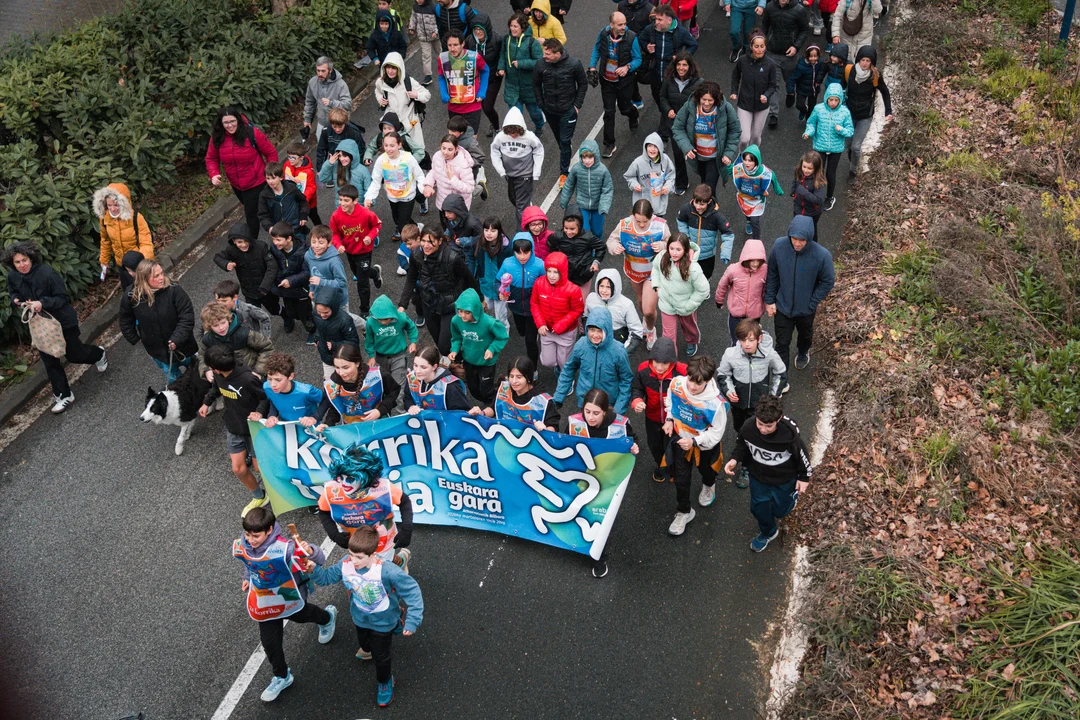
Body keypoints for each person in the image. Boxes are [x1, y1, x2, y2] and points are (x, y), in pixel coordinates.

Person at [309, 526, 424, 708]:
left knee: (381, 657)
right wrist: (313, 569)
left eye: (359, 557)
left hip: (382, 623)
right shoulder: (346, 563)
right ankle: (396, 619)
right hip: (360, 618)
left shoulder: (387, 571)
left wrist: (413, 620)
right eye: (351, 554)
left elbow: (413, 592)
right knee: (366, 646)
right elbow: (325, 578)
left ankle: (385, 682)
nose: (353, 561)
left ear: (373, 553)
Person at [234, 506, 336, 704]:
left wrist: (310, 550)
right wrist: (247, 577)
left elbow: (320, 559)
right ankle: (282, 676)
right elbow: (250, 563)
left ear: (269, 530)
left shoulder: (285, 548)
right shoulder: (245, 543)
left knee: (303, 614)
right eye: (247, 534)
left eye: (255, 536)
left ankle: (327, 618)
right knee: (270, 643)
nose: (250, 540)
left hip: (287, 595)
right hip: (264, 600)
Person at [4, 242, 107, 413]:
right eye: (17, 262)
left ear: (31, 258)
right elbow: (13, 291)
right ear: (12, 263)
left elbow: (62, 298)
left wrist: (42, 303)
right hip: (40, 325)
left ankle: (99, 354)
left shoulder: (47, 274)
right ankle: (63, 395)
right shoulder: (13, 276)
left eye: (24, 260)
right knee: (50, 361)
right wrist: (15, 299)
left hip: (63, 322)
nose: (22, 265)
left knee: (74, 354)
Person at [562, 387, 638, 577]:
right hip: (581, 478)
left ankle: (599, 557)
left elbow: (633, 441)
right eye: (587, 411)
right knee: (581, 512)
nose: (590, 417)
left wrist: (634, 448)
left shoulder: (621, 425)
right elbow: (563, 443)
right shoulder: (574, 422)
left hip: (608, 481)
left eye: (596, 413)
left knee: (600, 517)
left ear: (605, 411)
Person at [724, 395, 811, 551]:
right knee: (759, 508)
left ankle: (791, 500)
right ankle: (768, 532)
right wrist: (734, 459)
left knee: (780, 511)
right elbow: (741, 444)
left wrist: (804, 477)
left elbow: (802, 456)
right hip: (759, 477)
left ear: (778, 420)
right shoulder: (748, 427)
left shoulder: (789, 436)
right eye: (760, 424)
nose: (763, 430)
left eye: (769, 426)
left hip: (784, 480)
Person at [315, 444, 413, 575]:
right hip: (357, 542)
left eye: (350, 478)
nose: (344, 483)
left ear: (365, 477)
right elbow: (324, 511)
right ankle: (400, 560)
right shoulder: (331, 491)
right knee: (370, 564)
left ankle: (399, 563)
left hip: (383, 539)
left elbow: (404, 501)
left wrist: (407, 528)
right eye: (340, 477)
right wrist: (334, 535)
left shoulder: (383, 488)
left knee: (382, 567)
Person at [197, 345, 268, 516]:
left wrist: (259, 412)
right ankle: (259, 496)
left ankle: (280, 490)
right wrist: (206, 402)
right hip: (234, 427)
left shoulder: (248, 378)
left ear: (216, 369)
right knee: (238, 469)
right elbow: (216, 389)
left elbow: (265, 398)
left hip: (254, 429)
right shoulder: (218, 375)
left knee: (259, 468)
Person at [764, 215, 834, 389]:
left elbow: (828, 281)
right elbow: (772, 274)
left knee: (805, 335)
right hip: (782, 306)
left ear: (809, 238)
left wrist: (813, 302)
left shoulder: (822, 255)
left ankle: (803, 351)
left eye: (801, 240)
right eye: (794, 238)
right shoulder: (779, 246)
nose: (797, 243)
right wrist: (770, 300)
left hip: (806, 310)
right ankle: (781, 379)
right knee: (782, 342)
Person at [664, 354, 727, 536]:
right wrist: (669, 419)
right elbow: (671, 402)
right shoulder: (676, 383)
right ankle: (684, 511)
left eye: (698, 383)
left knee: (707, 471)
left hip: (704, 446)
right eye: (690, 379)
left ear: (707, 381)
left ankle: (709, 485)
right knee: (681, 479)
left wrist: (694, 441)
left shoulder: (716, 404)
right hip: (681, 441)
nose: (692, 386)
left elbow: (716, 433)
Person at [718, 319, 785, 487]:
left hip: (759, 406)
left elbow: (781, 373)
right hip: (738, 404)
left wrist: (773, 397)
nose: (746, 344)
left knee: (754, 433)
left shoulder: (769, 354)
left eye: (750, 340)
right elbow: (723, 375)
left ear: (759, 339)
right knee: (740, 429)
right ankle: (744, 444)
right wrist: (729, 391)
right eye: (743, 340)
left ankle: (746, 466)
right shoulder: (730, 354)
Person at [399, 226, 481, 356]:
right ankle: (456, 358)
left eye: (431, 242)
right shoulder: (416, 255)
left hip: (450, 305)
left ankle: (462, 359)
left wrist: (480, 299)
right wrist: (402, 305)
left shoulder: (452, 258)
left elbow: (468, 278)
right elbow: (411, 278)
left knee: (444, 347)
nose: (426, 245)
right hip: (429, 304)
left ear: (440, 241)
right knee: (438, 340)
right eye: (423, 241)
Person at [119, 259, 197, 384]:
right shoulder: (131, 296)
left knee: (197, 370)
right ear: (144, 279)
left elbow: (186, 316)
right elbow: (125, 319)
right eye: (156, 276)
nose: (162, 278)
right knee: (176, 382)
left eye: (161, 273)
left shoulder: (174, 290)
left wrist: (177, 338)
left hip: (184, 346)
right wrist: (134, 338)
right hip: (158, 352)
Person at [605, 198, 670, 349]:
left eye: (645, 221)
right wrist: (614, 247)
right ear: (632, 215)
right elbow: (611, 240)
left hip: (653, 272)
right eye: (638, 220)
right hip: (634, 271)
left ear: (651, 216)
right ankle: (646, 321)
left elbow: (671, 244)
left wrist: (662, 245)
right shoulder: (624, 224)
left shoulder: (660, 226)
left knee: (648, 309)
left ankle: (651, 330)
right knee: (640, 302)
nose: (641, 224)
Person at [206, 107, 279, 240]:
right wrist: (214, 174)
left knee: (251, 214)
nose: (230, 125)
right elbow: (211, 158)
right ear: (221, 123)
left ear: (238, 120)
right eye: (226, 122)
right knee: (259, 209)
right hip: (237, 185)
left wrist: (271, 173)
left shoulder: (251, 133)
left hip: (257, 181)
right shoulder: (217, 137)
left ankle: (251, 243)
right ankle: (276, 222)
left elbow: (270, 153)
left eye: (232, 121)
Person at [553, 307, 634, 414]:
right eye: (592, 330)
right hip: (585, 402)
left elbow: (626, 380)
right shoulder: (581, 345)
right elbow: (569, 369)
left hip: (608, 405)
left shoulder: (618, 351)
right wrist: (558, 396)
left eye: (600, 331)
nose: (595, 335)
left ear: (607, 330)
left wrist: (618, 411)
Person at [672, 80, 741, 198]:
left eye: (710, 100)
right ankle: (708, 206)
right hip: (698, 156)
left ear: (716, 99)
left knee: (709, 189)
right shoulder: (689, 106)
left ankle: (710, 206)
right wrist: (687, 148)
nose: (707, 103)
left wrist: (728, 154)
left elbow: (735, 131)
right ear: (698, 97)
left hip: (715, 157)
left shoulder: (726, 108)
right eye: (704, 99)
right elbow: (677, 128)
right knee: (704, 183)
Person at [533, 38, 588, 185]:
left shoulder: (574, 64)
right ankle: (566, 150)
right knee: (560, 139)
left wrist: (577, 105)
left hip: (568, 110)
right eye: (544, 53)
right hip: (549, 110)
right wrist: (541, 104)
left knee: (564, 140)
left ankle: (564, 173)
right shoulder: (540, 65)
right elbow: (536, 84)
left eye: (547, 54)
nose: (544, 56)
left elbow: (583, 83)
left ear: (557, 54)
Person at [630, 337, 686, 482]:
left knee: (675, 446)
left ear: (672, 361)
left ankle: (673, 467)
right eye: (656, 362)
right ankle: (661, 465)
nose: (660, 367)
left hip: (675, 419)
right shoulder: (643, 369)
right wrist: (637, 401)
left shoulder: (683, 372)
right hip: (652, 417)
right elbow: (637, 388)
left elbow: (692, 392)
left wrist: (677, 406)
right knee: (654, 445)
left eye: (664, 363)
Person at [590, 11, 642, 159]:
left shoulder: (631, 37)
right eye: (620, 24)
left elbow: (638, 59)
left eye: (625, 24)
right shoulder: (604, 34)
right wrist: (592, 66)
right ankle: (609, 144)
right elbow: (597, 49)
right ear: (611, 25)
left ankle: (633, 114)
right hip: (607, 81)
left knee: (624, 109)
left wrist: (627, 67)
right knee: (609, 112)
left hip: (624, 83)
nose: (623, 27)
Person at [651, 232, 709, 356]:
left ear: (685, 250)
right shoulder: (662, 257)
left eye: (678, 249)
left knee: (689, 329)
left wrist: (688, 306)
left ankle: (691, 341)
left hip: (685, 306)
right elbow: (655, 268)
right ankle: (671, 361)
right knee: (668, 337)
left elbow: (703, 290)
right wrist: (657, 286)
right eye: (671, 248)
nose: (674, 253)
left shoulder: (693, 268)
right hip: (666, 303)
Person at [449, 288, 509, 404]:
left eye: (467, 312)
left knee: (486, 390)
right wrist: (454, 350)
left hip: (486, 362)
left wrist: (492, 349)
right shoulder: (456, 321)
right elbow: (456, 338)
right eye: (460, 311)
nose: (463, 315)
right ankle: (491, 398)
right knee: (473, 389)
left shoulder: (489, 322)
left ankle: (495, 404)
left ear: (476, 309)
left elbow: (502, 337)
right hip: (469, 360)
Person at [315, 344, 400, 424]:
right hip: (352, 429)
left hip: (380, 424)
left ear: (357, 363)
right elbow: (335, 408)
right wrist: (327, 424)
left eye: (345, 367)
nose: (341, 373)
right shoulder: (332, 385)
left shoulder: (377, 375)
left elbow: (393, 392)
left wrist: (380, 411)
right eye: (337, 367)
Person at [329, 186, 382, 314]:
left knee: (362, 283)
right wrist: (338, 245)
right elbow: (334, 233)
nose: (342, 203)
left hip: (364, 251)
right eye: (340, 199)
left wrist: (370, 236)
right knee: (359, 274)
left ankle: (364, 310)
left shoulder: (366, 213)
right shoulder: (336, 216)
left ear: (355, 200)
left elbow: (377, 224)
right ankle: (375, 273)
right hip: (349, 251)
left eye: (346, 200)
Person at [93, 183, 153, 292]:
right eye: (109, 205)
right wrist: (104, 260)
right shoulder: (105, 218)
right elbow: (105, 240)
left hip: (138, 266)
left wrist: (141, 266)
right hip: (122, 265)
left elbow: (146, 243)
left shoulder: (136, 218)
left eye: (116, 205)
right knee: (129, 291)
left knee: (144, 292)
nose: (112, 209)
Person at [497, 234, 546, 367]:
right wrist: (500, 292)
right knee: (521, 332)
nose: (522, 256)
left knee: (530, 341)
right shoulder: (507, 263)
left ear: (532, 250)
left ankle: (533, 368)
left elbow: (547, 284)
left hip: (534, 309)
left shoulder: (540, 265)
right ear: (514, 251)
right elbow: (498, 281)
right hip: (515, 307)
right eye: (518, 252)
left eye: (526, 252)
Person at [490, 110, 544, 231]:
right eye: (510, 132)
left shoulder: (529, 137)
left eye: (515, 132)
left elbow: (539, 151)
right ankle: (528, 211)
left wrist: (536, 172)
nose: (513, 135)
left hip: (525, 175)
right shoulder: (500, 137)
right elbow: (494, 150)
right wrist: (501, 170)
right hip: (509, 175)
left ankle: (522, 233)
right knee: (513, 199)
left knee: (520, 207)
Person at [532, 251, 585, 374]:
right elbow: (535, 304)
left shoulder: (573, 290)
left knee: (564, 363)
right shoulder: (539, 283)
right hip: (547, 330)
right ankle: (560, 367)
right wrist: (540, 323)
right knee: (547, 361)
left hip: (566, 331)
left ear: (563, 271)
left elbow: (577, 309)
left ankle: (566, 377)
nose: (551, 276)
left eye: (555, 272)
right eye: (549, 271)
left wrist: (561, 325)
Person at [364, 133, 426, 238]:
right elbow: (376, 181)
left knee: (402, 227)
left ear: (399, 145)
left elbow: (419, 175)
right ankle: (417, 227)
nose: (388, 149)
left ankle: (409, 245)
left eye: (392, 146)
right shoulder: (381, 160)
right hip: (392, 197)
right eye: (386, 145)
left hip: (408, 196)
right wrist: (369, 197)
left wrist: (424, 189)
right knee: (398, 219)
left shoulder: (408, 158)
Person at [803, 83, 853, 211]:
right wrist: (808, 132)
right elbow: (811, 123)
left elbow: (850, 131)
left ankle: (829, 197)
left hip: (836, 148)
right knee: (818, 172)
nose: (833, 103)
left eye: (836, 100)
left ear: (840, 100)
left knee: (830, 174)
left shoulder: (844, 112)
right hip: (820, 146)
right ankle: (815, 195)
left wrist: (841, 130)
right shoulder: (818, 109)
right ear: (826, 98)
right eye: (831, 99)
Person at [637, 4, 698, 109]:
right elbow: (641, 39)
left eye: (660, 20)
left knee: (672, 97)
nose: (656, 22)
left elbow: (693, 45)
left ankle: (670, 114)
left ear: (669, 20)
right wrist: (647, 47)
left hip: (672, 70)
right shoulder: (650, 29)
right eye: (656, 19)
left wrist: (682, 57)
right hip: (655, 70)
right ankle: (664, 111)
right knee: (657, 95)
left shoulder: (681, 32)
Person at [658, 52, 703, 193]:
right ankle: (682, 182)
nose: (681, 68)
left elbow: (705, 103)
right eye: (678, 64)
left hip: (692, 125)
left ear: (690, 67)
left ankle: (705, 180)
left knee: (698, 153)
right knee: (678, 154)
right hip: (675, 125)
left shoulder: (699, 83)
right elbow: (662, 97)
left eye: (684, 65)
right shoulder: (669, 80)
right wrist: (668, 110)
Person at [762, 0, 810, 129]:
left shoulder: (799, 10)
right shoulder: (770, 7)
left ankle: (790, 93)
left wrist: (796, 46)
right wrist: (762, 43)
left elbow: (804, 30)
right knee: (773, 83)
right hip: (772, 52)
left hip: (789, 55)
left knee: (790, 80)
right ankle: (773, 114)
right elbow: (764, 26)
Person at [845, 46, 893, 177]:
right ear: (858, 60)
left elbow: (885, 92)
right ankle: (853, 157)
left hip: (865, 116)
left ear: (872, 62)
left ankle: (853, 169)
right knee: (848, 145)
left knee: (856, 147)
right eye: (863, 60)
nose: (865, 63)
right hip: (849, 114)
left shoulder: (875, 76)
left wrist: (888, 111)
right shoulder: (849, 71)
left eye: (868, 61)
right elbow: (840, 87)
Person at [214, 220, 278, 317]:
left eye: (246, 241)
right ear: (234, 241)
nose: (244, 245)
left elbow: (272, 266)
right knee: (253, 316)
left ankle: (287, 317)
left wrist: (265, 286)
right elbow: (218, 257)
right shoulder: (231, 250)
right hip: (249, 292)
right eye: (239, 242)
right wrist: (226, 264)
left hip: (266, 290)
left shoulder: (261, 247)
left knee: (274, 309)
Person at [730, 32, 781, 152]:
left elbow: (773, 85)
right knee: (744, 138)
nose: (759, 50)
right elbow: (735, 76)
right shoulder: (742, 61)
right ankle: (742, 156)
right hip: (744, 104)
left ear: (765, 46)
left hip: (762, 106)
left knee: (756, 137)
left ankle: (753, 157)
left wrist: (766, 95)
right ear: (751, 47)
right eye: (756, 46)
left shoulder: (770, 64)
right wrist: (734, 91)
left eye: (762, 46)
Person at [481, 355, 560, 430]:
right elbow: (494, 408)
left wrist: (545, 429)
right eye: (511, 376)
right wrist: (482, 413)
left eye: (519, 377)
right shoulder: (504, 389)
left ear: (528, 377)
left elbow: (553, 425)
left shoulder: (543, 401)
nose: (514, 381)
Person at [267, 222, 316, 342]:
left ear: (289, 238)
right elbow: (272, 266)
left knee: (305, 314)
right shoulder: (274, 249)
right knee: (291, 312)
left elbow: (307, 272)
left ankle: (313, 331)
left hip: (301, 289)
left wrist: (291, 280)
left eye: (278, 240)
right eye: (273, 239)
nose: (275, 243)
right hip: (286, 289)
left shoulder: (304, 252)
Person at [365, 295, 418, 404]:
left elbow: (411, 327)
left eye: (386, 319)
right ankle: (387, 408)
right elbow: (369, 340)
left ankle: (399, 411)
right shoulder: (370, 322)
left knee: (399, 387)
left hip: (399, 356)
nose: (383, 322)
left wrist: (413, 342)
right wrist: (371, 356)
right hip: (381, 357)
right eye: (379, 319)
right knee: (385, 384)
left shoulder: (401, 317)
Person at [198, 301, 273, 378]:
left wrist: (258, 371)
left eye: (223, 322)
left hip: (250, 374)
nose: (221, 328)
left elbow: (267, 347)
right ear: (209, 326)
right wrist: (206, 370)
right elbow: (202, 356)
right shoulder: (207, 340)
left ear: (228, 319)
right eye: (215, 325)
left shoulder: (244, 333)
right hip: (227, 378)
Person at [375, 52, 431, 153]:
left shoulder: (408, 82)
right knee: (395, 152)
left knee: (417, 151)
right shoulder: (380, 82)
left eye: (394, 68)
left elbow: (427, 95)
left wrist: (416, 95)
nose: (390, 71)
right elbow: (378, 92)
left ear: (399, 68)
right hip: (392, 124)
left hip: (410, 123)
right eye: (388, 68)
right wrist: (380, 100)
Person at [715, 238, 768, 344]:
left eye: (758, 260)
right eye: (752, 260)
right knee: (737, 343)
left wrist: (768, 304)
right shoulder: (733, 270)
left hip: (754, 316)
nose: (755, 264)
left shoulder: (765, 271)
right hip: (736, 315)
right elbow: (722, 285)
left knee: (751, 342)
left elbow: (768, 289)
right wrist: (719, 301)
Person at [499, 13, 545, 132]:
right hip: (512, 85)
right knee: (515, 116)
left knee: (534, 112)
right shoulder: (506, 40)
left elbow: (539, 62)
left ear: (523, 27)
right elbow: (502, 55)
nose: (512, 29)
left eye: (516, 26)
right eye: (511, 26)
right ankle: (519, 135)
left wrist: (522, 63)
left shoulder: (532, 42)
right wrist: (501, 67)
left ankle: (539, 126)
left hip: (529, 86)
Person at [677, 184, 735, 278]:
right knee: (688, 276)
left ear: (709, 201)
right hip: (690, 252)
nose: (698, 207)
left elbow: (728, 234)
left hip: (707, 257)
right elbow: (681, 221)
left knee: (706, 277)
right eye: (696, 202)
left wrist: (725, 253)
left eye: (702, 204)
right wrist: (686, 237)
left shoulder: (716, 216)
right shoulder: (686, 209)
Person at [559, 140, 614, 240]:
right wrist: (564, 201)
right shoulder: (576, 169)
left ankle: (597, 246)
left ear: (595, 156)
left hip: (598, 206)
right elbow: (569, 185)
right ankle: (587, 247)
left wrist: (603, 206)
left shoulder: (603, 170)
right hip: (582, 205)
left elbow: (607, 189)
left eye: (590, 157)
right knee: (584, 230)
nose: (587, 161)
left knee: (597, 230)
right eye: (584, 157)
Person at [438, 30, 490, 134]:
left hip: (472, 106)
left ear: (462, 44)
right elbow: (441, 76)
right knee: (455, 137)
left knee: (471, 139)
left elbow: (486, 71)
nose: (452, 49)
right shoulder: (443, 58)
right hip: (454, 106)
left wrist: (482, 92)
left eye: (456, 45)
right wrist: (443, 92)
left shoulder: (474, 57)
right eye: (450, 45)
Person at [252, 352, 323, 427]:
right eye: (269, 379)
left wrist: (315, 417)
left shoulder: (306, 391)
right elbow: (273, 400)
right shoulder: (267, 387)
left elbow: (326, 399)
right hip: (287, 427)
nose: (273, 384)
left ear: (291, 376)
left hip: (309, 428)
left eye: (278, 380)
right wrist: (272, 415)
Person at [546, 213, 606, 300]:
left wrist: (595, 262)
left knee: (580, 302)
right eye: (566, 228)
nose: (568, 232)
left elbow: (601, 247)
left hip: (583, 275)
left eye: (572, 229)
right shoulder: (558, 236)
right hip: (564, 275)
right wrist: (557, 258)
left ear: (580, 226)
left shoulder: (588, 237)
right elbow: (550, 244)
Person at [585, 269, 644, 355]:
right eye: (601, 286)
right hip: (596, 338)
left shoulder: (626, 304)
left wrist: (623, 352)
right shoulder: (591, 299)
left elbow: (637, 332)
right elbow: (585, 319)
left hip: (617, 340)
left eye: (608, 287)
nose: (604, 291)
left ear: (615, 287)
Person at [732, 144, 784, 239]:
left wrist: (778, 190)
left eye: (750, 160)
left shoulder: (765, 172)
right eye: (745, 160)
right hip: (744, 198)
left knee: (755, 221)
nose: (746, 163)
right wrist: (727, 165)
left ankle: (756, 241)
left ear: (756, 161)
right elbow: (730, 171)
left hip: (757, 200)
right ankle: (748, 221)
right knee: (747, 213)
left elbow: (773, 178)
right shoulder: (739, 168)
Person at [465, 12, 503, 137]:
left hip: (493, 78)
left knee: (487, 106)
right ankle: (492, 121)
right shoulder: (470, 40)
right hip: (477, 78)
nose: (478, 32)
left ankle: (497, 129)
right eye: (476, 29)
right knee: (480, 105)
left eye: (481, 29)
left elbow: (502, 56)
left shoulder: (497, 40)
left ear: (486, 29)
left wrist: (500, 68)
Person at [312, 286, 361, 379]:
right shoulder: (316, 313)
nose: (322, 315)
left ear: (334, 307)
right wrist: (317, 338)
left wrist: (335, 345)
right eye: (319, 312)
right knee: (331, 382)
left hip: (343, 358)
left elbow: (354, 342)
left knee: (348, 380)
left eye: (326, 312)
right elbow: (319, 327)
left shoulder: (345, 321)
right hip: (326, 356)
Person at [404, 345, 472, 412]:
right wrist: (411, 407)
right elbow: (407, 398)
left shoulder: (449, 386)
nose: (417, 371)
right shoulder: (411, 378)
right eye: (415, 365)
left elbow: (463, 411)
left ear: (434, 367)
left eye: (423, 367)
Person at [424, 134, 477, 219]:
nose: (445, 152)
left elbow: (469, 188)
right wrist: (428, 185)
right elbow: (433, 171)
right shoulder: (437, 156)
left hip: (457, 207)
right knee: (444, 224)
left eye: (450, 149)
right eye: (443, 148)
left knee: (457, 227)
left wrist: (452, 179)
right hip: (442, 202)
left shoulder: (463, 165)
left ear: (456, 149)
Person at [624, 133, 676, 218]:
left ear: (660, 147)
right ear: (645, 147)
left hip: (659, 205)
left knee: (657, 225)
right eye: (650, 146)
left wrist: (668, 187)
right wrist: (634, 185)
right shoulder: (638, 162)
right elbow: (630, 176)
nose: (652, 149)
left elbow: (671, 176)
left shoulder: (665, 160)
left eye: (655, 146)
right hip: (641, 207)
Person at [475, 218, 513, 331]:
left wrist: (506, 288)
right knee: (487, 309)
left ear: (499, 231)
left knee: (500, 316)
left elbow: (510, 269)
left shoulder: (506, 248)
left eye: (493, 230)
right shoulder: (480, 242)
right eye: (486, 230)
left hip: (500, 287)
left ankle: (504, 332)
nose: (489, 233)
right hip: (486, 284)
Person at [304, 57, 352, 142]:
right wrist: (307, 119)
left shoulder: (341, 84)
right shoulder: (313, 82)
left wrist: (331, 103)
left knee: (340, 149)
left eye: (323, 71)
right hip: (322, 123)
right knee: (322, 148)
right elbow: (310, 102)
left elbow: (347, 104)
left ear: (330, 70)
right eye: (318, 70)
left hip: (339, 124)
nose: (320, 74)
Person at [258, 162, 310, 239]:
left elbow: (303, 201)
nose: (270, 181)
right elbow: (263, 214)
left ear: (281, 177)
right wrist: (269, 226)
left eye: (273, 178)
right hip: (279, 232)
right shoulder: (264, 195)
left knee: (300, 245)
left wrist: (303, 215)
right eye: (268, 178)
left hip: (295, 227)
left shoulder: (291, 189)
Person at [319, 138, 371, 212]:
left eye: (345, 156)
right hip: (341, 208)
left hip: (358, 209)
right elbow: (323, 179)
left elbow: (369, 189)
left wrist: (369, 202)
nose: (341, 159)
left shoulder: (363, 171)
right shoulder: (336, 166)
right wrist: (329, 164)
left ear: (352, 155)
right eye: (339, 156)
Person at [446, 114, 489, 199]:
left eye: (453, 131)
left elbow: (480, 157)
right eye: (449, 130)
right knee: (457, 189)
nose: (450, 133)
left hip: (469, 171)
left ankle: (480, 187)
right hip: (455, 170)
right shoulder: (452, 138)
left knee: (466, 193)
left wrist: (467, 164)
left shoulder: (470, 143)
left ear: (461, 132)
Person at [441, 193, 484, 275]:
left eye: (449, 212)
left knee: (469, 274)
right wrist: (446, 234)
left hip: (470, 252)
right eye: (445, 212)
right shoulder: (450, 219)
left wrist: (466, 241)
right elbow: (450, 228)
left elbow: (481, 237)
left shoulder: (473, 223)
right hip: (457, 249)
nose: (446, 215)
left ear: (457, 210)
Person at [315, 108, 366, 175]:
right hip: (335, 163)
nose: (337, 129)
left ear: (345, 123)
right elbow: (321, 150)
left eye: (340, 126)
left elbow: (360, 151)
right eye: (334, 126)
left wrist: (358, 169)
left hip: (350, 163)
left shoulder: (353, 132)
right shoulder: (326, 131)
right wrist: (321, 169)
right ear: (331, 124)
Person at [786, 44, 828, 123]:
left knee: (812, 108)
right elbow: (792, 78)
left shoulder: (821, 63)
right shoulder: (801, 66)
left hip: (814, 90)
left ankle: (809, 122)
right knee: (799, 105)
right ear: (807, 56)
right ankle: (804, 110)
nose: (813, 58)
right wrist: (790, 91)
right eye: (811, 56)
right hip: (802, 89)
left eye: (815, 56)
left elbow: (826, 68)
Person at [791, 151, 828, 239]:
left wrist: (804, 192)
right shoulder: (798, 171)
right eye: (804, 167)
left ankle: (812, 245)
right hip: (798, 208)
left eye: (809, 168)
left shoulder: (818, 181)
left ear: (816, 168)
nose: (805, 170)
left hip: (812, 212)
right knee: (797, 228)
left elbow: (819, 200)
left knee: (811, 231)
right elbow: (795, 181)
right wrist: (793, 192)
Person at [284, 142, 322, 227]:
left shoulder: (308, 172)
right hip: (292, 200)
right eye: (288, 157)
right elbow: (284, 177)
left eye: (293, 158)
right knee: (297, 220)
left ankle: (320, 230)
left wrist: (302, 200)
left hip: (308, 202)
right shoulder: (287, 165)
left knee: (314, 216)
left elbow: (311, 187)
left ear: (301, 158)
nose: (290, 160)